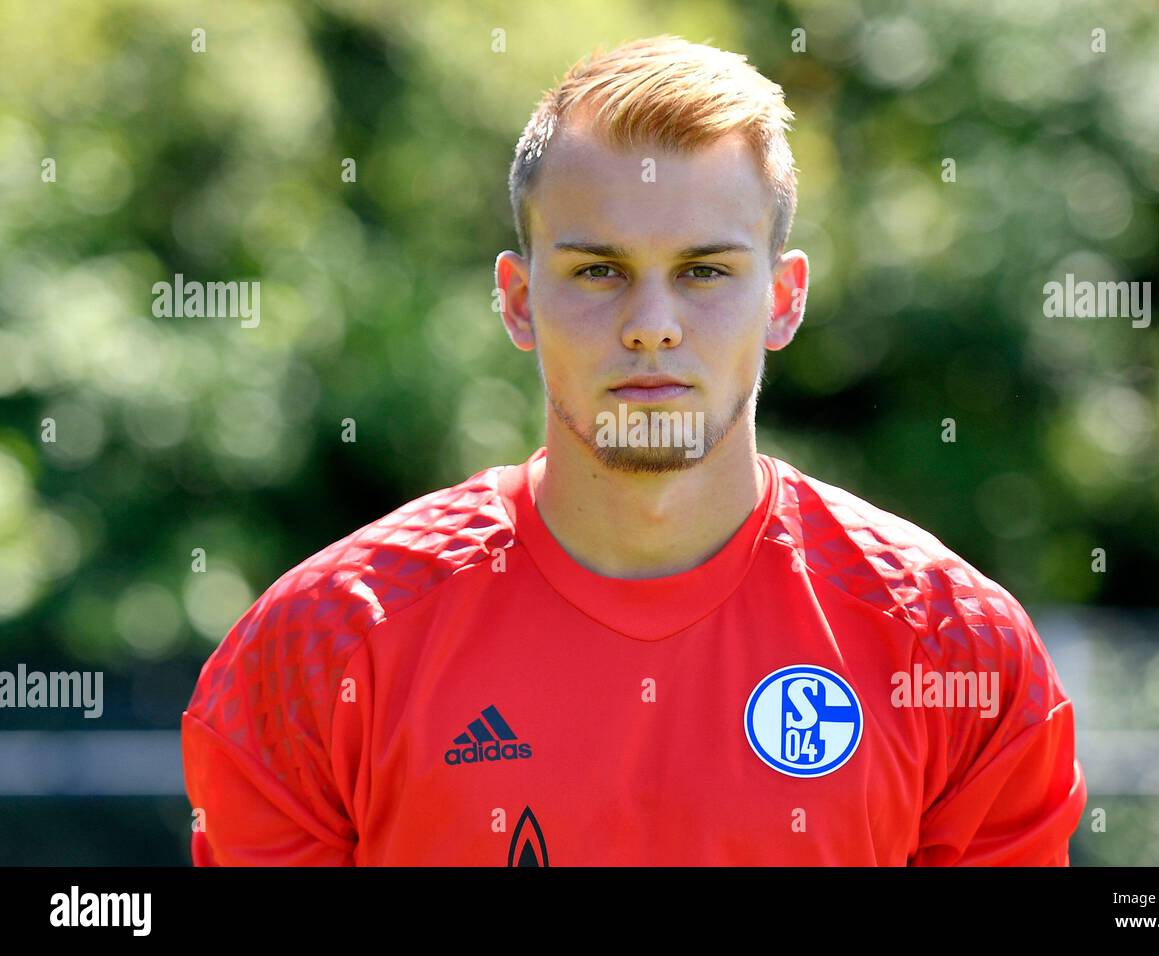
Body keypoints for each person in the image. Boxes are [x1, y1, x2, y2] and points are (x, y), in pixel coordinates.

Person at [182, 34, 1087, 866]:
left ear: (782, 299)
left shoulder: (955, 655)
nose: (652, 325)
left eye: (704, 271)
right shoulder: (320, 652)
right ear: (518, 300)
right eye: (598, 271)